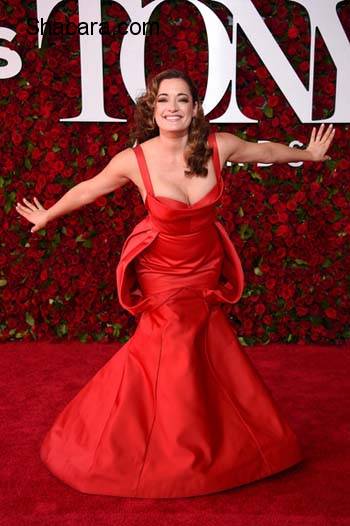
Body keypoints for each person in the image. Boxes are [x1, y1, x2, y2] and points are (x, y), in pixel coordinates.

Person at [16, 69, 335, 499]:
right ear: (152, 108)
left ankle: (224, 440)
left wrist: (311, 157)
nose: (172, 107)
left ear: (195, 108)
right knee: (171, 340)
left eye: (181, 99)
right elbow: (90, 189)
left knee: (203, 347)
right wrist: (49, 213)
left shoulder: (219, 146)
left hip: (204, 264)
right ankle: (146, 446)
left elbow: (266, 150)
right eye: (163, 99)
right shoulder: (135, 158)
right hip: (161, 269)